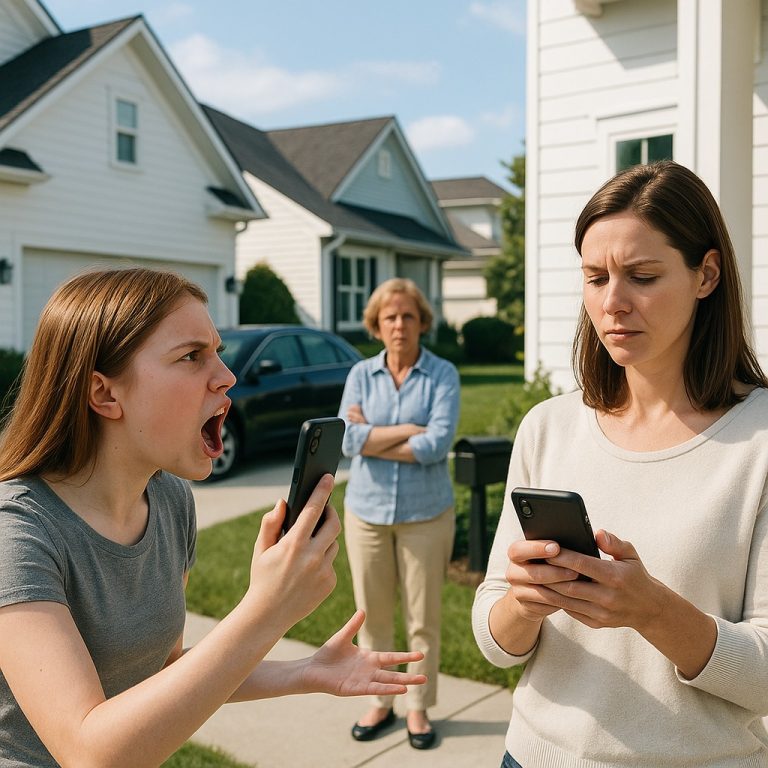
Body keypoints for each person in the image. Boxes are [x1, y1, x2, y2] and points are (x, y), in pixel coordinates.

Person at [0, 267, 427, 768]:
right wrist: (265, 610)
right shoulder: (18, 531)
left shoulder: (170, 502)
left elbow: (168, 673)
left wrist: (305, 671)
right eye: (191, 356)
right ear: (105, 394)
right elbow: (90, 753)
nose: (227, 375)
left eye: (217, 351)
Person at [472, 160, 768, 767]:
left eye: (642, 276)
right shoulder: (548, 427)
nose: (612, 303)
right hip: (532, 757)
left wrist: (653, 612)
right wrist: (523, 604)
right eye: (595, 277)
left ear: (706, 274)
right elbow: (495, 641)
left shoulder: (759, 441)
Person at [339, 277, 460, 750]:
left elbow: (435, 446)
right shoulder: (359, 375)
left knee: (422, 617)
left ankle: (417, 708)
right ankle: (381, 701)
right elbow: (347, 441)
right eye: (390, 317)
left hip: (425, 514)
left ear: (422, 322)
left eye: (408, 316)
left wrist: (375, 435)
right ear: (376, 325)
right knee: (372, 616)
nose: (399, 325)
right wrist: (409, 428)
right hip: (366, 513)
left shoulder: (443, 374)